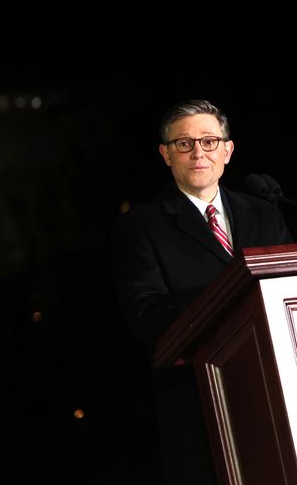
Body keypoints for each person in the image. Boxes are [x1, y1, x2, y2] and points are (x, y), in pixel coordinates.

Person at [113, 99, 292, 484]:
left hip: (277, 388)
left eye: (209, 141)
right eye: (184, 143)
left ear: (227, 150)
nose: (198, 152)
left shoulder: (264, 212)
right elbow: (145, 313)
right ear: (165, 154)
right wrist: (221, 320)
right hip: (201, 396)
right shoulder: (141, 226)